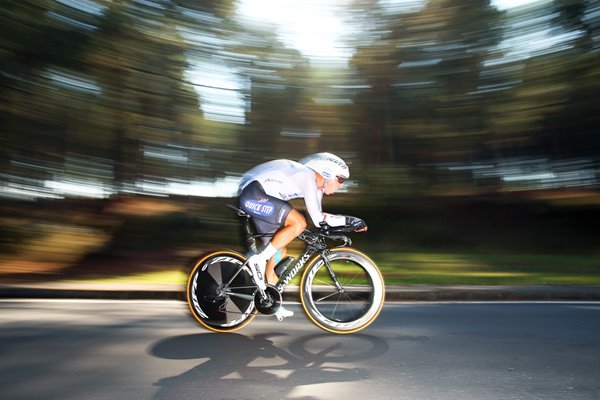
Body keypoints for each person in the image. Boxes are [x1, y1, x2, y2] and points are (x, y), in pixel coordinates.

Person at [238, 152, 368, 320]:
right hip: (254, 194)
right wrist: (351, 221)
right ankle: (257, 259)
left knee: (278, 252)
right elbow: (316, 218)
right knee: (298, 223)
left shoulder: (317, 188)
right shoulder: (307, 176)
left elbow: (321, 221)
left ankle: (271, 300)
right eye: (340, 179)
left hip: (262, 198)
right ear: (327, 173)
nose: (341, 185)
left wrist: (343, 228)